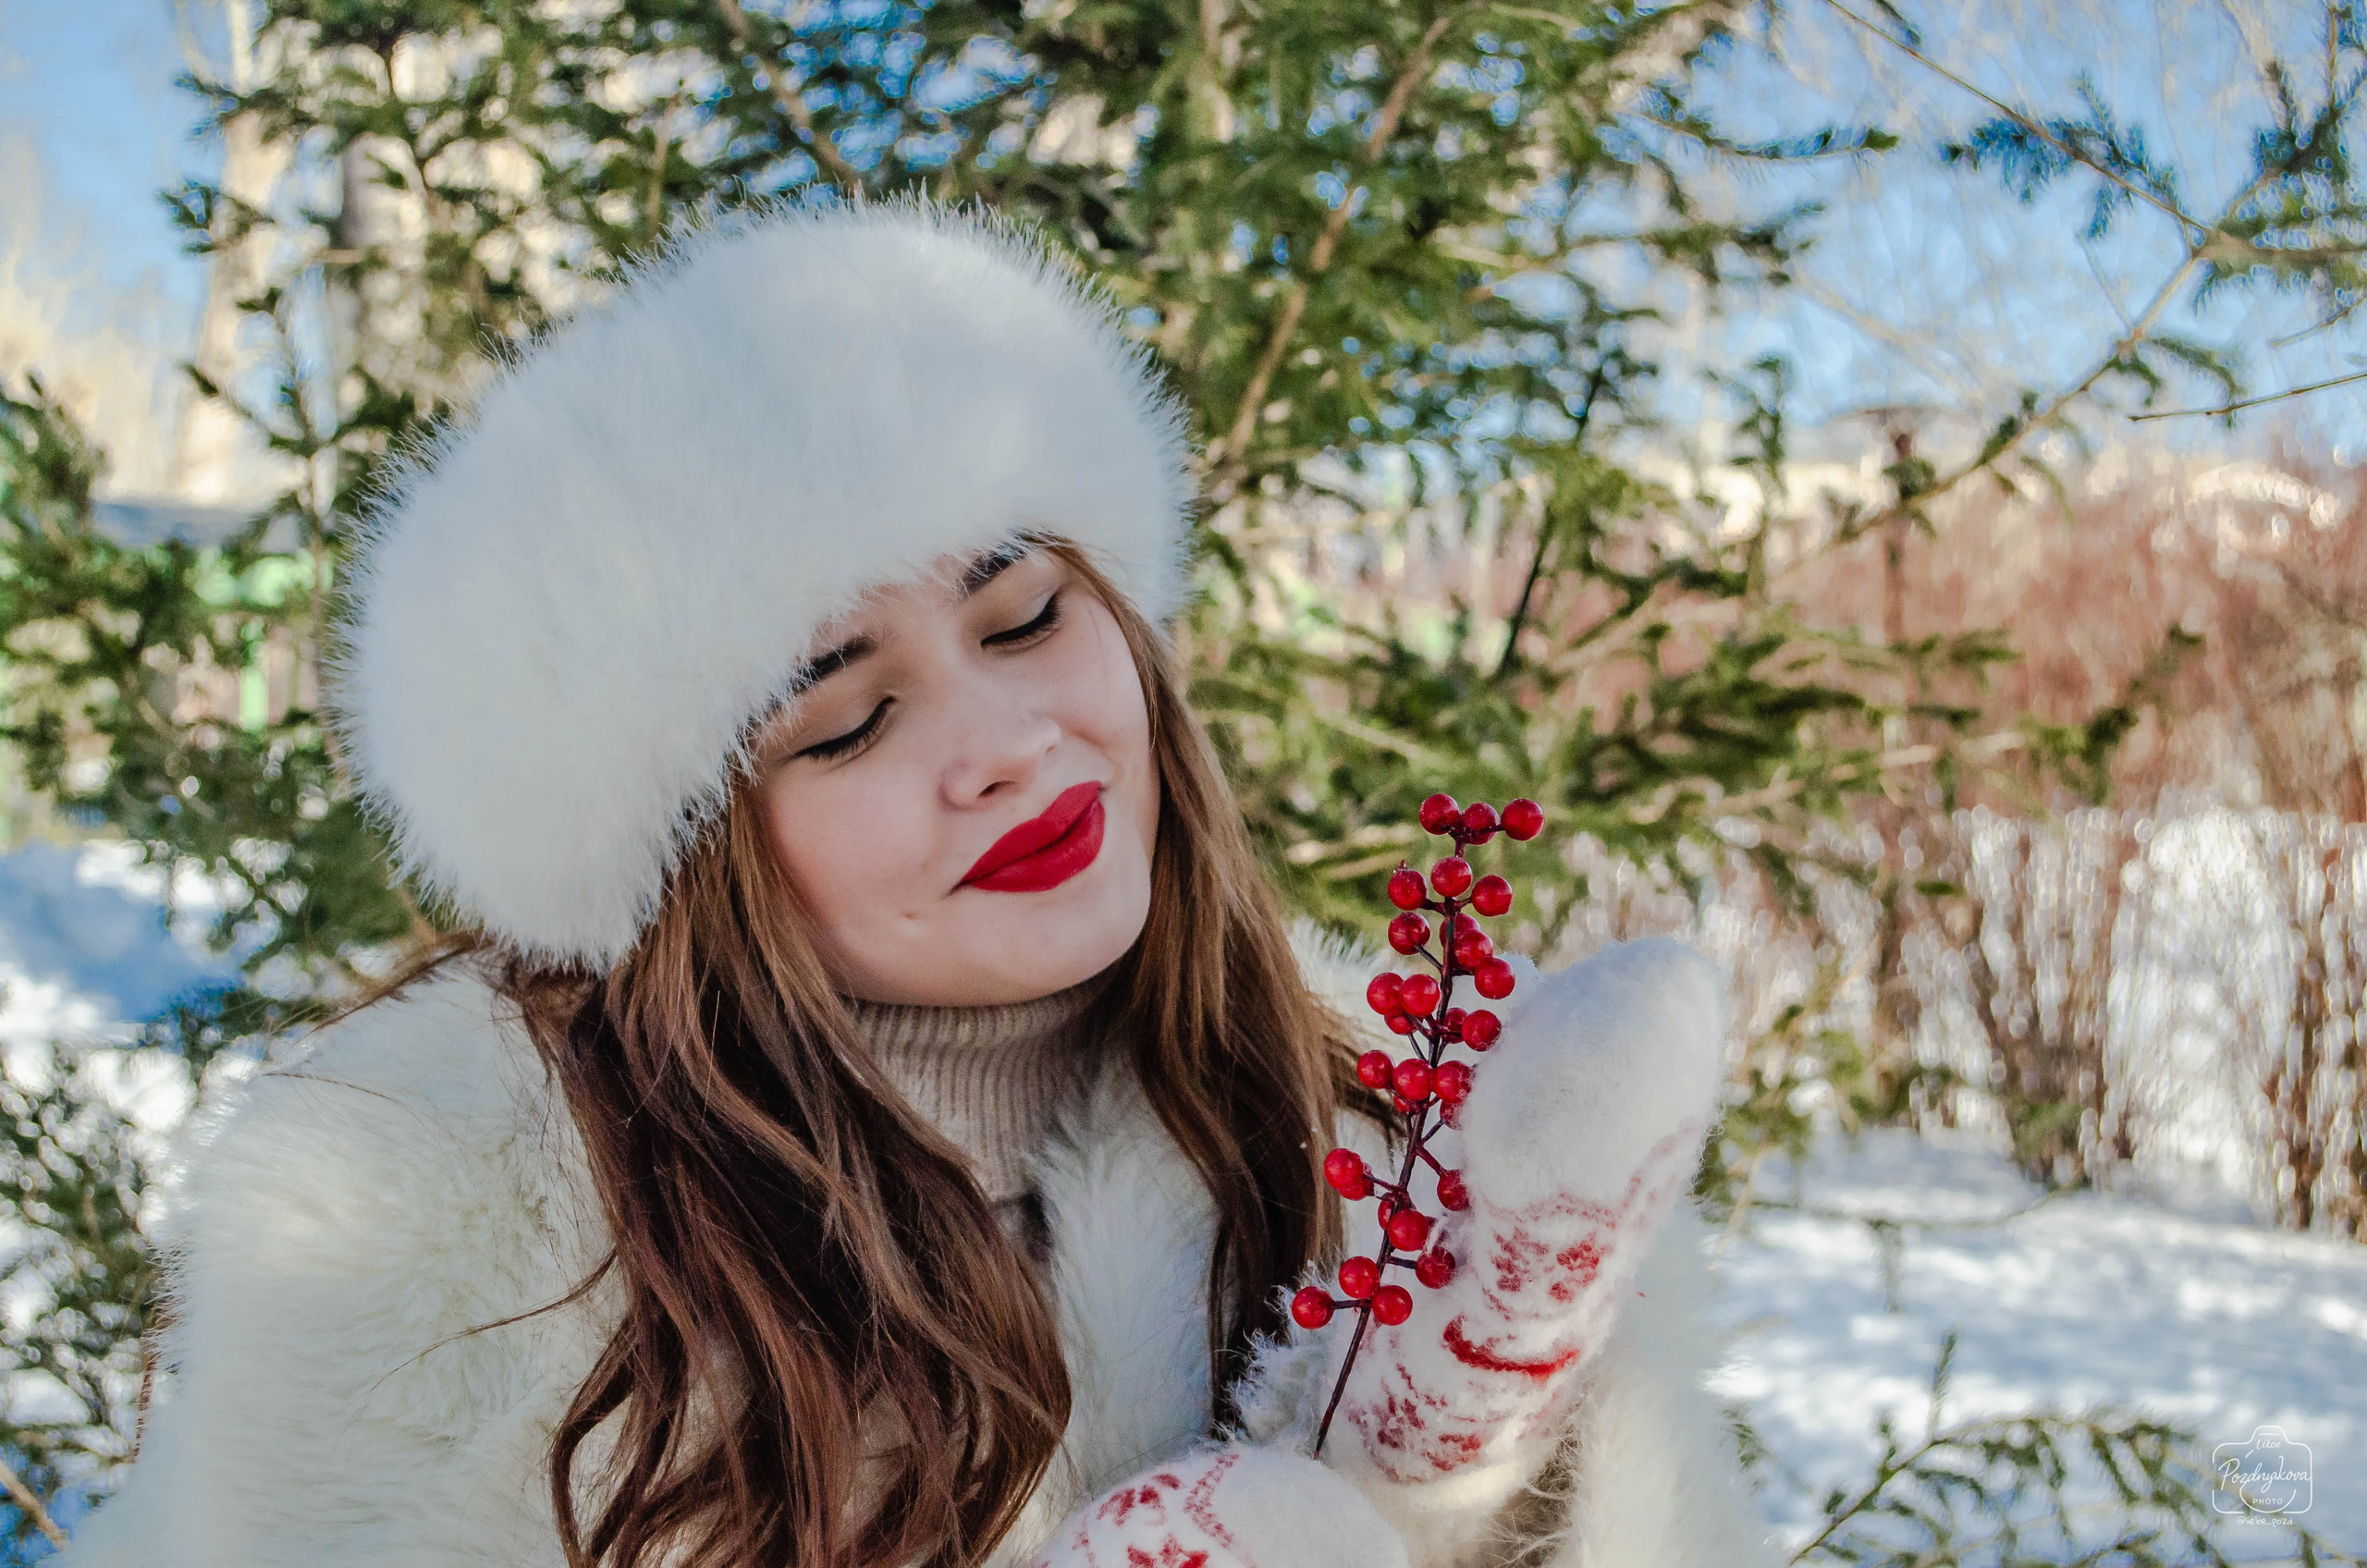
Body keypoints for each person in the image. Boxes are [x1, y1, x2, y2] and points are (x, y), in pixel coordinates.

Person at [56, 202, 1772, 1568]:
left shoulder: (1400, 1119)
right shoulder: (423, 1240)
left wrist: (1460, 1493)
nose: (1012, 743)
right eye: (850, 721)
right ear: (685, 862)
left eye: (1026, 616)